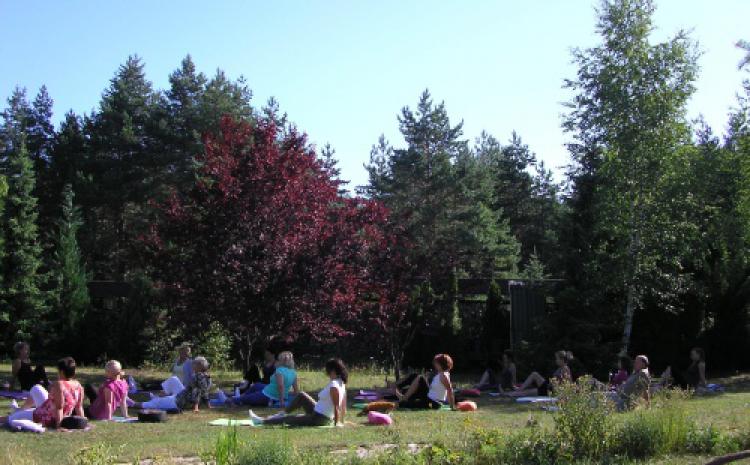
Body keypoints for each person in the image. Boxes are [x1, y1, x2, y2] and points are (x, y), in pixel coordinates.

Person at [249, 359, 348, 427]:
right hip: (318, 411)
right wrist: (342, 421)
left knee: (289, 419)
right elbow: (343, 406)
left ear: (333, 371)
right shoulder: (341, 383)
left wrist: (337, 424)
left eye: (327, 371)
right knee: (302, 395)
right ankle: (282, 413)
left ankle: (261, 421)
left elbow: (337, 406)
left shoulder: (334, 385)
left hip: (319, 418)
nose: (327, 374)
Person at [1, 357, 84, 429]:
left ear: (61, 372)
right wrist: (83, 422)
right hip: (54, 413)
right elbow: (79, 407)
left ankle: (17, 411)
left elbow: (59, 407)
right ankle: (19, 410)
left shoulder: (59, 384)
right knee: (36, 388)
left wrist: (59, 426)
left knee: (10, 418)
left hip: (46, 417)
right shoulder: (78, 385)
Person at [132, 357, 212, 413]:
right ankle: (162, 395)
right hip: (181, 396)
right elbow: (204, 391)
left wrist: (196, 407)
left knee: (156, 402)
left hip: (178, 402)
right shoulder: (207, 376)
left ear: (199, 366)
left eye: (194, 364)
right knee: (174, 379)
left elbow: (197, 391)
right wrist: (208, 405)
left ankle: (132, 403)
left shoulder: (198, 376)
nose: (192, 366)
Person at [226, 351, 298, 407]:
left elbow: (281, 386)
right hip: (270, 390)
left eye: (278, 360)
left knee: (246, 398)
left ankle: (232, 400)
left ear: (281, 361)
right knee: (257, 385)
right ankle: (241, 396)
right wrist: (295, 401)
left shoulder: (279, 371)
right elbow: (296, 389)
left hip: (269, 395)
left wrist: (281, 402)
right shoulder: (293, 372)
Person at [506, 350, 573, 397]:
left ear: (562, 360)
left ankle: (514, 393)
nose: (556, 360)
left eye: (557, 359)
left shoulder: (565, 369)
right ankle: (518, 390)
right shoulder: (560, 368)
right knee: (534, 374)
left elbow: (568, 384)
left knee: (526, 392)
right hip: (548, 387)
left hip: (550, 391)